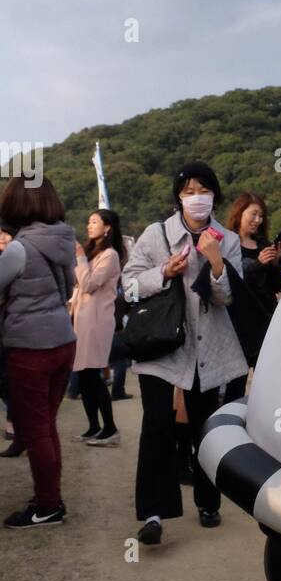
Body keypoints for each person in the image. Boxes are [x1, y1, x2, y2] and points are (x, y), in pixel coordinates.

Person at [122, 162, 247, 545]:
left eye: (204, 189)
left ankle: (208, 501)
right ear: (179, 196)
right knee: (157, 425)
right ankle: (154, 513)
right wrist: (163, 272)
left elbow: (227, 298)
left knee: (203, 428)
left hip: (210, 348)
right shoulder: (156, 234)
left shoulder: (227, 239)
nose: (197, 197)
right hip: (163, 346)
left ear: (214, 195)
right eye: (189, 190)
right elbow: (127, 286)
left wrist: (215, 262)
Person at [0, 177, 77, 527]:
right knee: (46, 425)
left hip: (30, 346)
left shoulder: (19, 248)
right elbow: (69, 286)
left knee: (35, 430)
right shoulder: (62, 239)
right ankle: (51, 498)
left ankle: (47, 504)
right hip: (63, 340)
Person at [222, 192, 281, 402]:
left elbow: (280, 285)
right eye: (253, 214)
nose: (258, 220)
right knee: (235, 385)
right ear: (239, 213)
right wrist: (258, 264)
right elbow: (231, 277)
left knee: (266, 382)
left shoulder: (263, 245)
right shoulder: (227, 244)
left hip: (264, 322)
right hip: (237, 326)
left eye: (261, 216)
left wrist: (276, 263)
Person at [70, 209, 126, 446]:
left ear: (108, 227)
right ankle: (94, 426)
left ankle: (110, 428)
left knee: (92, 374)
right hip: (82, 320)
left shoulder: (110, 255)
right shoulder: (94, 253)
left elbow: (90, 284)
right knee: (83, 376)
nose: (89, 226)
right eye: (89, 221)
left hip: (96, 322)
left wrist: (81, 258)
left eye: (94, 222)